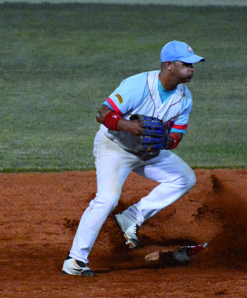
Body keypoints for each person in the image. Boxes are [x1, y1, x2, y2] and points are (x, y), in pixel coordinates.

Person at [62, 40, 205, 276]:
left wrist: (163, 141)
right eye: (186, 63)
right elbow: (102, 113)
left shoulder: (185, 98)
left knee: (185, 178)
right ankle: (75, 260)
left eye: (193, 64)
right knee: (107, 198)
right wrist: (128, 126)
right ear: (169, 65)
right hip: (114, 148)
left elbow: (177, 136)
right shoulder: (137, 85)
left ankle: (132, 217)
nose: (192, 68)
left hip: (148, 153)